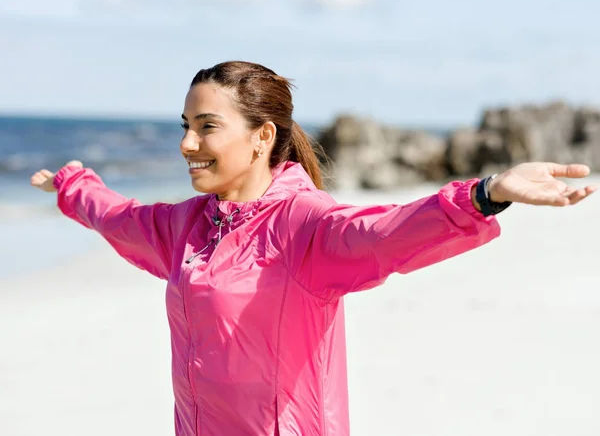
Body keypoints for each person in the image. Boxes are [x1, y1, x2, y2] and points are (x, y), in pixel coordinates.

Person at [30, 61, 596, 436]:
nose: (187, 144)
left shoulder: (305, 225)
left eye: (206, 127)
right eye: (185, 125)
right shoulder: (187, 226)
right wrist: (75, 186)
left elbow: (386, 234)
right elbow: (120, 217)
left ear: (262, 136)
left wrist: (485, 193)